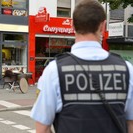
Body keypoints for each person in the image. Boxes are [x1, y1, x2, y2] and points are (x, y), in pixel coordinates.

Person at [30, 0, 133, 133]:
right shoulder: (126, 70)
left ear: (73, 26)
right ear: (103, 26)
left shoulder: (54, 71)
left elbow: (42, 128)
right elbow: (131, 123)